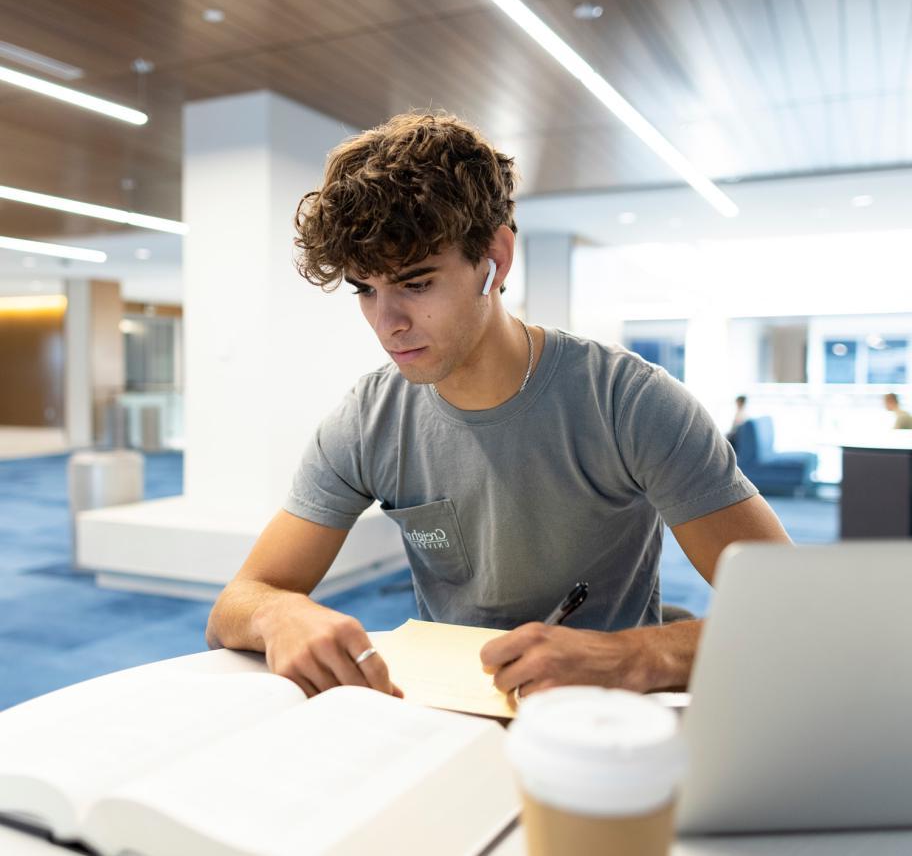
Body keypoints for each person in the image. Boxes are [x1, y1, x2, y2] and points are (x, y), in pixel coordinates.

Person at [205, 112, 791, 703]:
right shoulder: (368, 418)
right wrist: (279, 615)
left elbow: (794, 612)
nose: (388, 323)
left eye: (416, 282)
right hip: (447, 713)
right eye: (365, 290)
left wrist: (632, 654)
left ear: (495, 259)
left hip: (606, 722)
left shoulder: (628, 401)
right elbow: (238, 601)